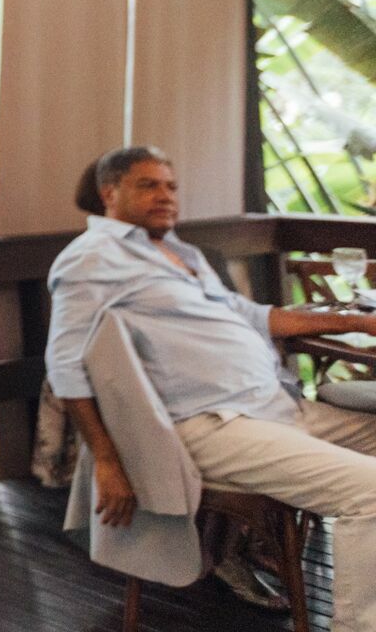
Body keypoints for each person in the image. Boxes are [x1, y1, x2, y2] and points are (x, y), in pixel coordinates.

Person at [47, 145, 376, 629]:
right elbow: (65, 365)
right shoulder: (91, 259)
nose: (165, 196)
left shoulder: (181, 253)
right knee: (369, 491)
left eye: (171, 186)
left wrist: (360, 322)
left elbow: (255, 316)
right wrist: (108, 461)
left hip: (277, 408)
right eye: (148, 185)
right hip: (212, 424)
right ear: (109, 193)